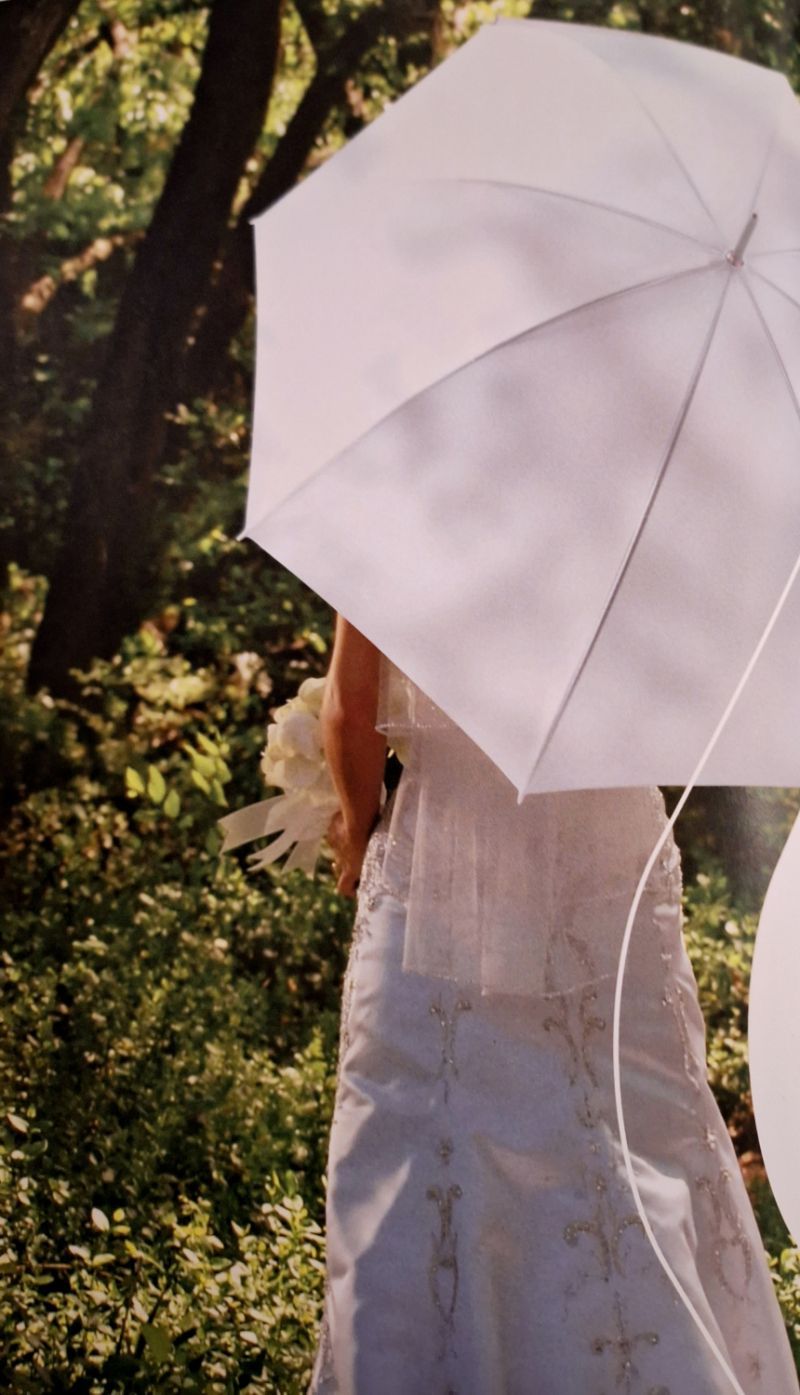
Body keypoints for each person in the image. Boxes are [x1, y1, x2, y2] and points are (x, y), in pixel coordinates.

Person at [308, 613, 800, 1395]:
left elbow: (350, 706)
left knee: (417, 1160)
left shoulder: (397, 494)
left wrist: (358, 833)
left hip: (445, 851)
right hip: (609, 852)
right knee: (638, 1140)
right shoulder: (633, 496)